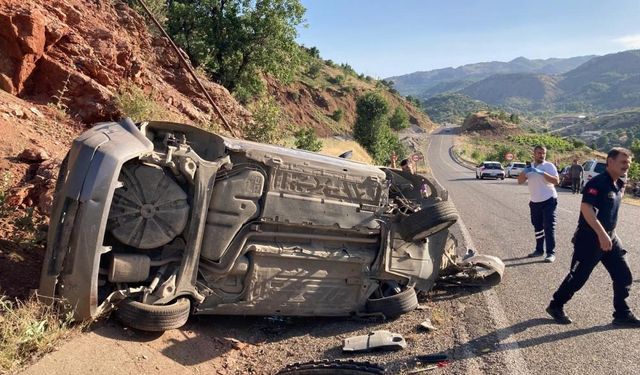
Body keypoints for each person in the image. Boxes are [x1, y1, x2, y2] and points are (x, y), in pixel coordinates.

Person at [546, 148, 639, 327]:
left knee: (623, 275)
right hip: (590, 239)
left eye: (628, 163)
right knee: (578, 277)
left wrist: (608, 235)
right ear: (610, 162)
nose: (626, 166)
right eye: (623, 162)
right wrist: (602, 234)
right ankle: (556, 305)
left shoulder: (618, 183)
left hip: (610, 237)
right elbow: (586, 209)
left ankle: (622, 313)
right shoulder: (597, 183)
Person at [517, 145, 560, 263]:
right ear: (534, 154)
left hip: (549, 199)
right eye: (539, 153)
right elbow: (520, 181)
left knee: (549, 226)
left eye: (543, 153)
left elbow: (556, 181)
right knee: (538, 227)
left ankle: (550, 253)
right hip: (535, 201)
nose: (542, 155)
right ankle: (539, 250)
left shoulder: (549, 166)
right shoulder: (529, 167)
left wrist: (541, 172)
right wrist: (525, 171)